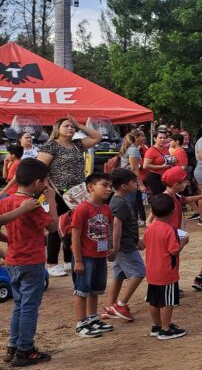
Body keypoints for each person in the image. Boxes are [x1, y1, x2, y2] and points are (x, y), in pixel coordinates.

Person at [1, 158, 59, 367]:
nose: (46, 186)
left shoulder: (7, 201)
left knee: (19, 305)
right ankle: (25, 349)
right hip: (31, 261)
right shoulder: (32, 206)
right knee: (29, 307)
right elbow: (53, 227)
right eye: (45, 182)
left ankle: (13, 346)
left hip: (13, 260)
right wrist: (51, 200)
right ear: (37, 183)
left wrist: (8, 239)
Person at [37, 116, 102, 277]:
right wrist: (46, 189)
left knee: (73, 225)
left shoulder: (77, 145)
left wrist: (80, 124)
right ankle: (52, 262)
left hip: (77, 193)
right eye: (66, 126)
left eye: (72, 127)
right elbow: (39, 168)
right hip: (58, 192)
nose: (70, 128)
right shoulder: (52, 145)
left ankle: (67, 260)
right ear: (57, 129)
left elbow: (97, 137)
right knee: (57, 226)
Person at [69, 172, 115, 339]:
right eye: (104, 185)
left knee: (95, 289)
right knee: (82, 290)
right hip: (85, 256)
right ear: (91, 187)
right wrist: (78, 260)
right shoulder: (82, 209)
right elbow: (75, 234)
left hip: (99, 255)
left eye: (110, 186)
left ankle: (92, 317)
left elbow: (108, 229)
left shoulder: (106, 208)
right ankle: (81, 323)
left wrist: (109, 248)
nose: (109, 189)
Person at [101, 169, 147, 323]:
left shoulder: (120, 200)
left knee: (119, 275)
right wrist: (115, 247)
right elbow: (116, 225)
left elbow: (126, 225)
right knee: (139, 272)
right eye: (133, 182)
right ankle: (120, 304)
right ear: (123, 186)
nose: (136, 184)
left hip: (125, 243)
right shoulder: (119, 202)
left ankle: (109, 307)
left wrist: (136, 239)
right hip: (124, 246)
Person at [144, 193, 188, 340]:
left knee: (154, 301)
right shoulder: (169, 229)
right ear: (172, 212)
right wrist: (183, 242)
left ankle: (157, 326)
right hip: (166, 271)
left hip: (152, 270)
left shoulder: (150, 228)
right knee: (167, 302)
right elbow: (174, 250)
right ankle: (166, 329)